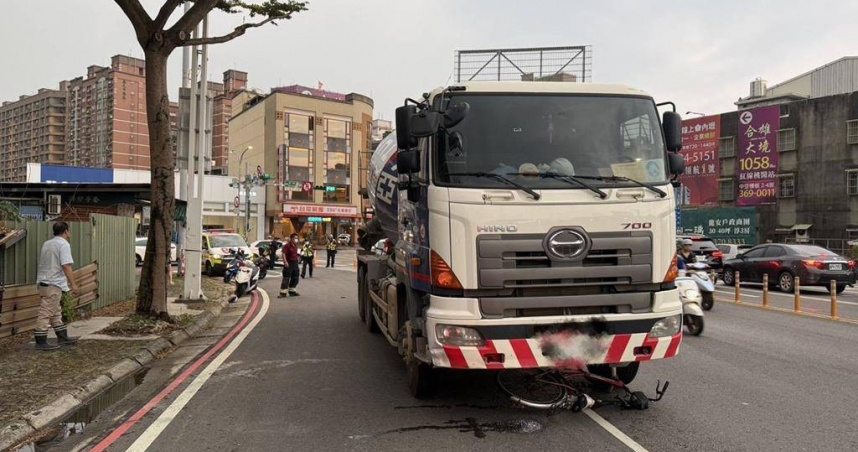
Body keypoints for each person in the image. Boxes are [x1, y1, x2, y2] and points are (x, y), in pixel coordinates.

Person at [34, 221, 79, 351]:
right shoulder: (63, 244)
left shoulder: (47, 243)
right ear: (66, 231)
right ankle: (40, 341)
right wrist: (73, 284)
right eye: (68, 231)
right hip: (53, 282)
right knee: (46, 311)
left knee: (55, 311)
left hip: (44, 281)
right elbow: (66, 265)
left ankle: (62, 336)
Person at [279, 233, 301, 297]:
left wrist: (298, 258)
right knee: (286, 278)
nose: (296, 240)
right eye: (295, 238)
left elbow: (295, 254)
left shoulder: (295, 246)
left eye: (297, 238)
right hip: (289, 263)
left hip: (295, 263)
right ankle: (283, 293)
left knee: (295, 277)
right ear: (291, 239)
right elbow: (283, 254)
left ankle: (292, 291)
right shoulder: (287, 246)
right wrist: (285, 262)